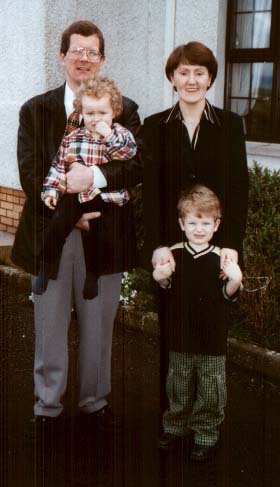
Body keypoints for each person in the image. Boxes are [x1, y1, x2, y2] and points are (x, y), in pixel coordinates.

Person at [11, 20, 142, 430]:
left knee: (98, 323)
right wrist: (70, 212)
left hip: (105, 232)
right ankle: (47, 406)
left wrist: (95, 183)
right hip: (54, 231)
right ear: (62, 56)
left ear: (102, 60)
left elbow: (134, 165)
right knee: (49, 323)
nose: (84, 59)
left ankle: (94, 401)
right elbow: (31, 172)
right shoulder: (37, 109)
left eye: (92, 52)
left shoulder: (126, 110)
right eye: (77, 51)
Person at [143, 41, 248, 447]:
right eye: (183, 72)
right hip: (173, 252)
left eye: (199, 72)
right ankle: (172, 420)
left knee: (209, 340)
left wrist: (232, 245)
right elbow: (150, 192)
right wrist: (156, 245)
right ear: (172, 79)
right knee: (173, 337)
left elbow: (238, 189)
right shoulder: (154, 126)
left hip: (214, 250)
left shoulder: (230, 124)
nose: (191, 79)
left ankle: (207, 424)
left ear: (210, 79)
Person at [152, 185, 243, 461]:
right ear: (182, 223)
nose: (199, 229)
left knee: (211, 388)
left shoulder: (222, 258)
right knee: (177, 384)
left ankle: (205, 432)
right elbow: (165, 286)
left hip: (212, 338)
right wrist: (161, 276)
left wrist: (235, 279)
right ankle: (175, 426)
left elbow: (228, 295)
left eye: (205, 223)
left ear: (216, 225)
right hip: (181, 335)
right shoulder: (174, 254)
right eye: (193, 222)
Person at [33, 76, 137, 298]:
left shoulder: (119, 134)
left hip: (106, 197)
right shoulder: (73, 137)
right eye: (90, 113)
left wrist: (108, 134)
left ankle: (94, 274)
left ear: (114, 112)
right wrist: (52, 189)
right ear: (80, 112)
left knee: (101, 234)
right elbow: (59, 166)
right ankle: (46, 265)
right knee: (58, 223)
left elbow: (128, 153)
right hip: (76, 196)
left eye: (102, 113)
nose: (95, 119)